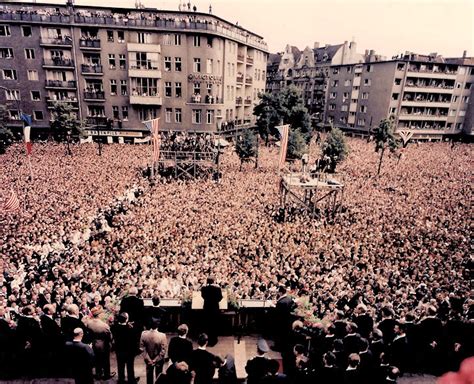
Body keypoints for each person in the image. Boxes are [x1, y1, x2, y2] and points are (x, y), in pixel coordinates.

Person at [85, 306, 114, 380]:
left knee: (97, 359)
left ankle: (98, 373)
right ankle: (106, 375)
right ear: (99, 315)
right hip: (104, 344)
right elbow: (110, 336)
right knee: (106, 360)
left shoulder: (89, 323)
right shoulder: (104, 325)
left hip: (94, 343)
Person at [140, 319, 168, 384]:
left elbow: (142, 349)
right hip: (159, 360)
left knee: (149, 376)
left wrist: (149, 360)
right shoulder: (162, 335)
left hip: (148, 359)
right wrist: (155, 360)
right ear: (158, 326)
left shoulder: (143, 334)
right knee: (158, 377)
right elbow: (163, 351)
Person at [112, 312, 137, 384]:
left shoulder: (114, 327)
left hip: (119, 350)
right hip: (129, 351)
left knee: (120, 366)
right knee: (130, 367)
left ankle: (121, 380)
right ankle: (131, 380)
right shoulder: (131, 329)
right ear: (126, 320)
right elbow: (134, 342)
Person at [200, 277, 222, 346]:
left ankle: (206, 340)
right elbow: (220, 298)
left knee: (207, 324)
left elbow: (203, 296)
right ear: (214, 281)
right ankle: (213, 341)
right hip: (214, 308)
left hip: (207, 308)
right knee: (214, 324)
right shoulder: (217, 288)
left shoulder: (204, 288)